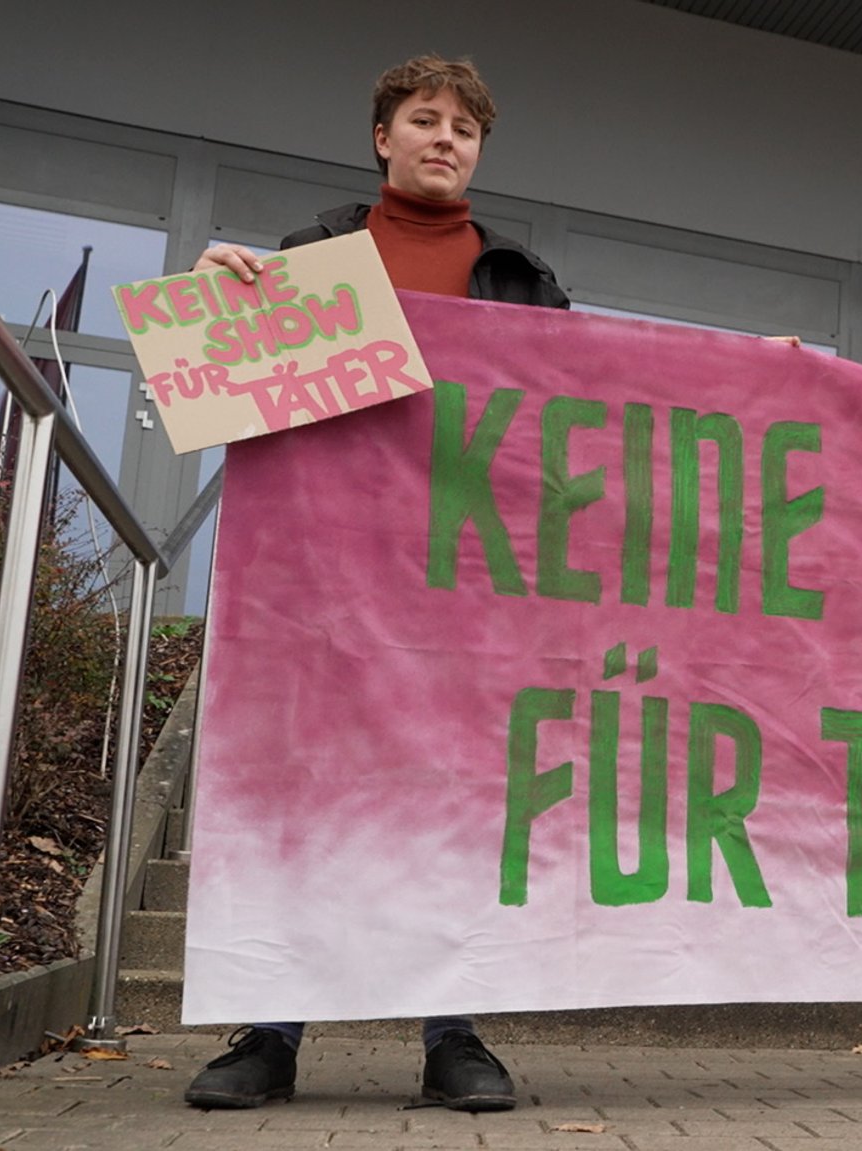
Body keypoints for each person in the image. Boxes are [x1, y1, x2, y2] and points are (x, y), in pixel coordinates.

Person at [182, 53, 567, 1114]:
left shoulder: (521, 278)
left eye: (465, 129)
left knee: (452, 804)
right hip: (324, 591)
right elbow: (241, 402)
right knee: (306, 797)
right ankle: (269, 1032)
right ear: (382, 138)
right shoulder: (308, 260)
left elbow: (594, 407)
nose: (446, 139)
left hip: (464, 590)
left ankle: (455, 1036)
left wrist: (757, 374)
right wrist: (224, 303)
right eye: (426, 120)